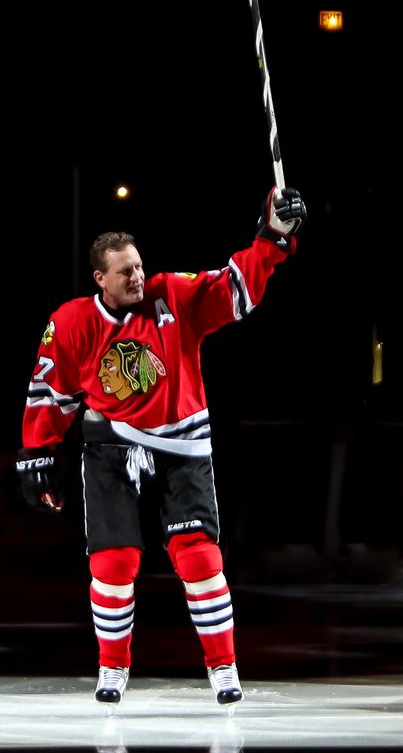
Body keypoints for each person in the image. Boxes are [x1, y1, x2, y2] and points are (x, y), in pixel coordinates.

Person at [18, 186, 306, 706]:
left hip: (183, 443)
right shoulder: (71, 323)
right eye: (124, 271)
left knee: (198, 558)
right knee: (113, 562)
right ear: (99, 278)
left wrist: (272, 235)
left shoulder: (172, 294)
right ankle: (112, 670)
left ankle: (224, 669)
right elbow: (51, 393)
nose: (136, 277)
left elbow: (233, 287)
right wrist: (37, 453)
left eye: (138, 266)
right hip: (111, 444)